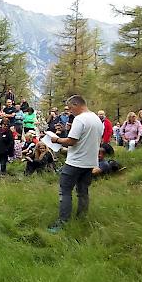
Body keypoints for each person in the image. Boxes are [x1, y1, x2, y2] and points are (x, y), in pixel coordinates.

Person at [47, 95, 103, 233]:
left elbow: (72, 141)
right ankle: (81, 218)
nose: (70, 112)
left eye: (71, 108)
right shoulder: (97, 119)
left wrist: (56, 140)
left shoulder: (80, 119)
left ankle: (62, 222)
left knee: (65, 191)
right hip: (90, 162)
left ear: (77, 105)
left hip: (75, 162)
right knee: (83, 192)